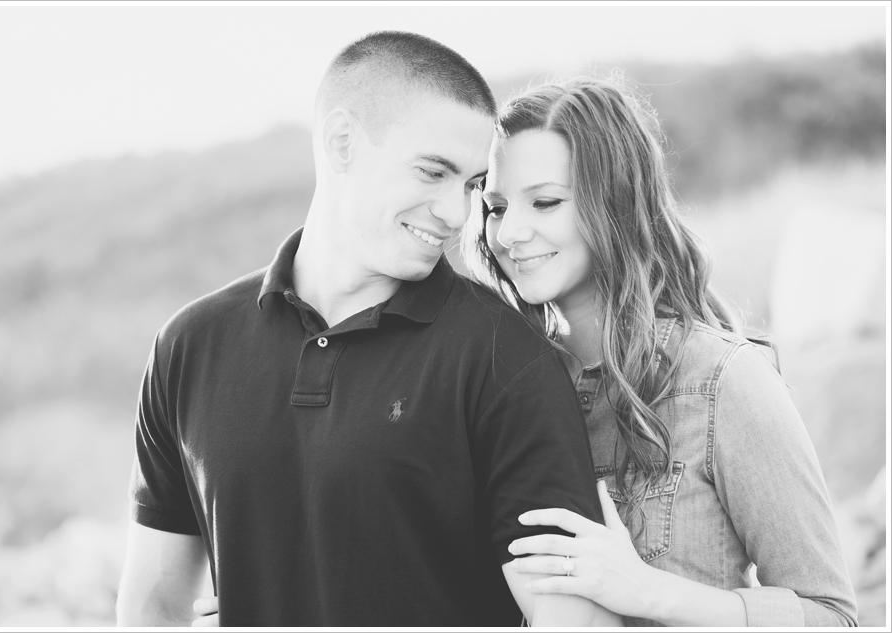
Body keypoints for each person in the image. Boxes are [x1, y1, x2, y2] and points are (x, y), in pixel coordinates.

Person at [115, 32, 619, 627]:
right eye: (433, 172)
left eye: (472, 185)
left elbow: (575, 622)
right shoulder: (189, 345)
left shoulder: (505, 359)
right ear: (342, 141)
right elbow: (153, 607)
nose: (457, 214)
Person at [460, 75, 859, 626]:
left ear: (616, 204)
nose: (509, 234)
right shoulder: (505, 389)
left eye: (545, 202)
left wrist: (647, 592)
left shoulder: (721, 380)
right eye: (497, 207)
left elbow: (834, 616)